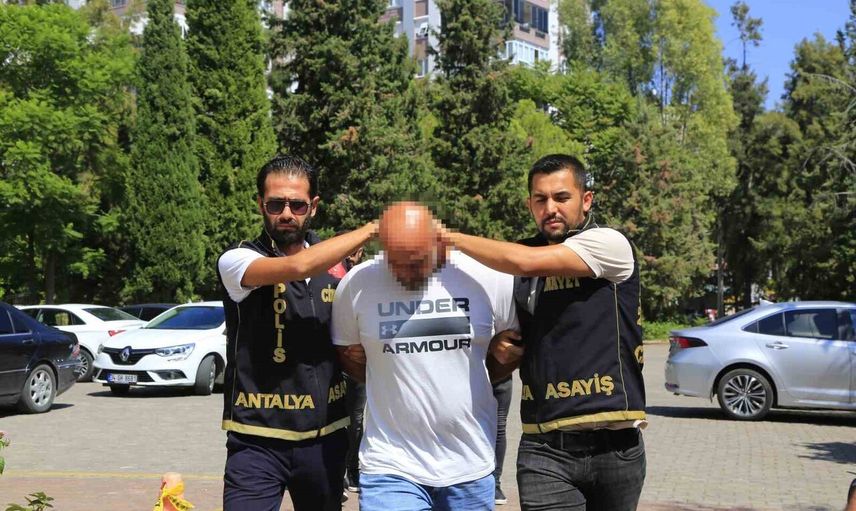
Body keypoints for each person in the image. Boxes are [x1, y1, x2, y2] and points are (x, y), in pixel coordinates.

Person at [443, 154, 646, 511]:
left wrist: (450, 238)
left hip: (617, 448)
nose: (550, 208)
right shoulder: (514, 263)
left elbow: (527, 262)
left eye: (561, 197)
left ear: (586, 200)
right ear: (530, 205)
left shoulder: (609, 243)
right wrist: (499, 351)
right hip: (545, 449)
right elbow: (500, 353)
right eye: (540, 199)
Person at [332, 202, 519, 511]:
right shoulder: (358, 284)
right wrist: (385, 371)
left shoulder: (487, 277)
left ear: (439, 243)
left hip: (469, 464)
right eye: (396, 263)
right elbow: (347, 354)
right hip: (389, 464)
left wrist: (490, 366)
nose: (406, 272)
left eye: (417, 261)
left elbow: (511, 350)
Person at [216, 154, 376, 511]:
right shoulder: (237, 259)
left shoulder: (339, 268)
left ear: (313, 207)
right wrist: (370, 229)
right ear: (261, 204)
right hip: (257, 439)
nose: (286, 213)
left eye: (297, 205)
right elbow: (299, 265)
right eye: (276, 204)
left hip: (326, 437)